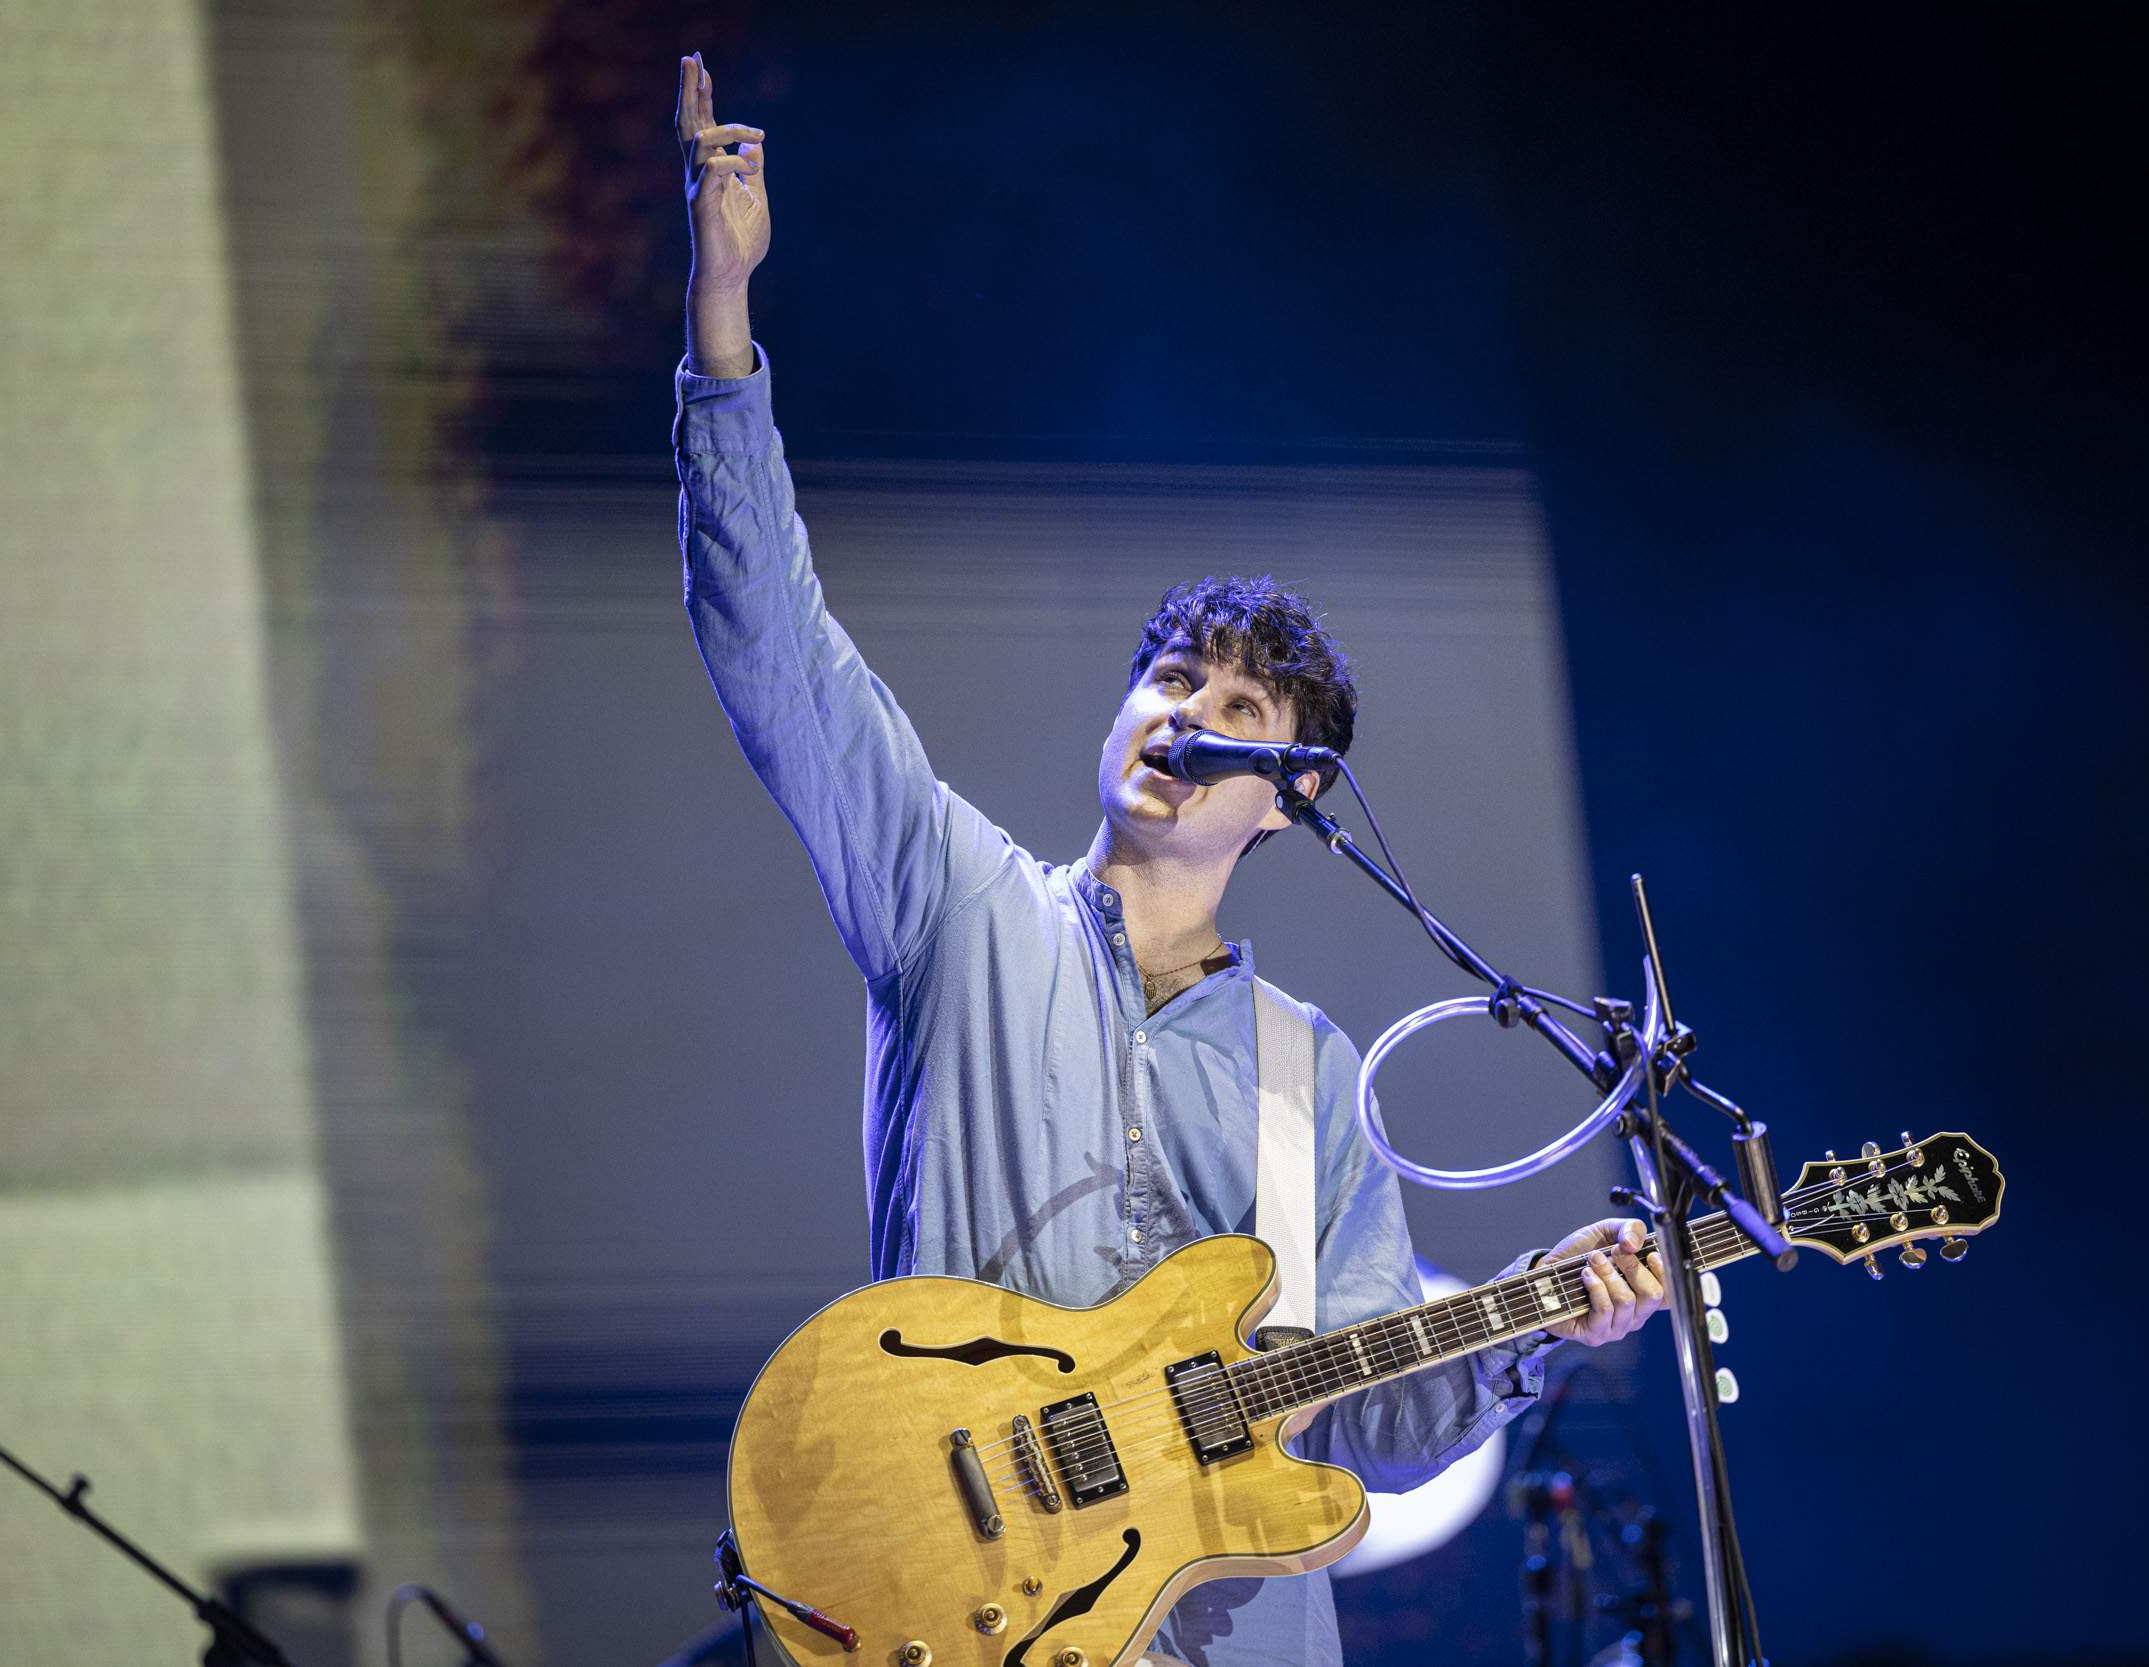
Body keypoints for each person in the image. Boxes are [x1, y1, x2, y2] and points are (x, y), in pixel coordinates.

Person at [669, 51, 1667, 1667]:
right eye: (1170, 679)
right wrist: (724, 322)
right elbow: (771, 648)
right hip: (956, 1604)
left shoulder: (1309, 1076)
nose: (1188, 712)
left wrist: (1537, 1320)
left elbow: (1367, 1418)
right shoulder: (962, 906)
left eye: (1238, 703)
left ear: (1288, 791)